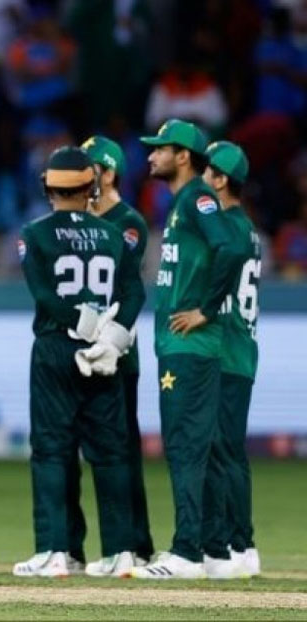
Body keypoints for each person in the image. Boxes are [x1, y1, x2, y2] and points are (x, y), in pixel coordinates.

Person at [13, 146, 140, 578]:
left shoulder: (34, 233)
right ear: (92, 187)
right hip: (105, 354)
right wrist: (110, 336)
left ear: (47, 187)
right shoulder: (113, 235)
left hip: (56, 347)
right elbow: (135, 293)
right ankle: (121, 552)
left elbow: (44, 295)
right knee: (111, 453)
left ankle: (55, 551)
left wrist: (83, 327)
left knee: (51, 450)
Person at [130, 119, 246, 579]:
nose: (151, 155)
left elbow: (230, 248)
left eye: (161, 148)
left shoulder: (197, 198)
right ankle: (214, 552)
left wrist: (206, 309)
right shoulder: (183, 202)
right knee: (202, 446)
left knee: (184, 447)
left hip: (190, 345)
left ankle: (186, 553)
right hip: (184, 345)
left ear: (183, 156)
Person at [62, 135, 153, 577]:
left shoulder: (128, 223)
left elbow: (123, 287)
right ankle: (70, 549)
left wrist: (109, 340)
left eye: (89, 168)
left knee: (120, 453)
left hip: (116, 355)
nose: (81, 175)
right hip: (71, 351)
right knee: (67, 452)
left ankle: (134, 546)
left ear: (109, 173)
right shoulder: (72, 221)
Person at [201, 141, 262, 578]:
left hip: (228, 348)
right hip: (238, 348)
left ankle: (239, 544)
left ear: (221, 180)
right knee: (226, 449)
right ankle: (233, 541)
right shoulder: (246, 227)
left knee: (225, 449)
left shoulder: (228, 229)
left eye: (207, 172)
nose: (201, 179)